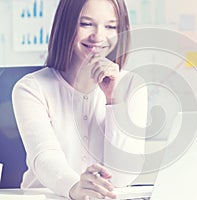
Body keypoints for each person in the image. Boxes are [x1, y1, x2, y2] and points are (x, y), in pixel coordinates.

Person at [12, 0, 148, 199]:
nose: (98, 36)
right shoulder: (31, 88)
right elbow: (44, 157)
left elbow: (121, 177)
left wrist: (114, 101)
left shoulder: (131, 86)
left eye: (111, 26)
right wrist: (75, 187)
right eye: (86, 24)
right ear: (67, 24)